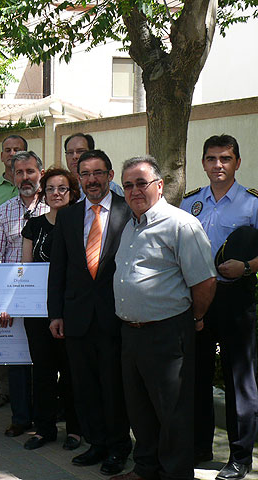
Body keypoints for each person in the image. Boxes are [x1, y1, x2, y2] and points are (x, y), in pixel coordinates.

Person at [113, 156, 217, 480]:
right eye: (128, 185)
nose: (134, 190)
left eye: (141, 182)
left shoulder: (180, 224)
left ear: (159, 186)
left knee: (172, 415)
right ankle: (145, 469)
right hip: (131, 333)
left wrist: (195, 316)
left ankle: (175, 474)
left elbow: (205, 281)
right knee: (140, 410)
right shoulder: (130, 225)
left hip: (167, 333)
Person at [48, 149, 132, 475]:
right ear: (78, 178)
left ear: (110, 176)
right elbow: (59, 269)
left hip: (116, 317)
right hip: (77, 318)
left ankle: (118, 447)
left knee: (114, 387)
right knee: (84, 387)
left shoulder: (129, 212)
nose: (92, 180)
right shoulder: (69, 216)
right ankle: (96, 444)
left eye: (98, 173)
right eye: (85, 174)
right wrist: (56, 313)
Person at [180, 134, 258, 480]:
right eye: (212, 159)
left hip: (235, 296)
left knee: (238, 378)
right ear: (203, 163)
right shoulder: (190, 203)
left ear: (237, 162)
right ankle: (199, 446)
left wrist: (248, 267)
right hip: (197, 296)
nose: (218, 165)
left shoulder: (252, 204)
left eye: (225, 159)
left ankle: (241, 457)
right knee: (193, 375)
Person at [20, 167, 82, 452]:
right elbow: (25, 269)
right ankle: (44, 429)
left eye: (62, 188)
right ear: (42, 192)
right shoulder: (33, 225)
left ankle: (75, 430)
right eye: (50, 189)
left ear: (72, 193)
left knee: (71, 372)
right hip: (38, 309)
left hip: (71, 309)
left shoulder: (82, 222)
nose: (56, 194)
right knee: (42, 371)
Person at [0, 151, 48, 439]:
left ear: (41, 172)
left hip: (47, 300)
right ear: (12, 177)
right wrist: (1, 302)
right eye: (20, 172)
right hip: (14, 300)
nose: (25, 177)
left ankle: (45, 418)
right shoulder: (3, 212)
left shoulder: (55, 208)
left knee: (45, 362)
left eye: (30, 171)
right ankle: (21, 418)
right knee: (17, 362)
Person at [0, 134, 27, 409]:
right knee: (0, 327)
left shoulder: (40, 189)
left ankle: (29, 390)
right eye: (7, 150)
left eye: (17, 150)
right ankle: (1, 386)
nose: (11, 154)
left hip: (32, 280)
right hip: (0, 271)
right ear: (1, 156)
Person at [64, 133, 124, 198]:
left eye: (80, 151)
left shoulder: (111, 188)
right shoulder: (60, 188)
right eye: (70, 152)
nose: (74, 156)